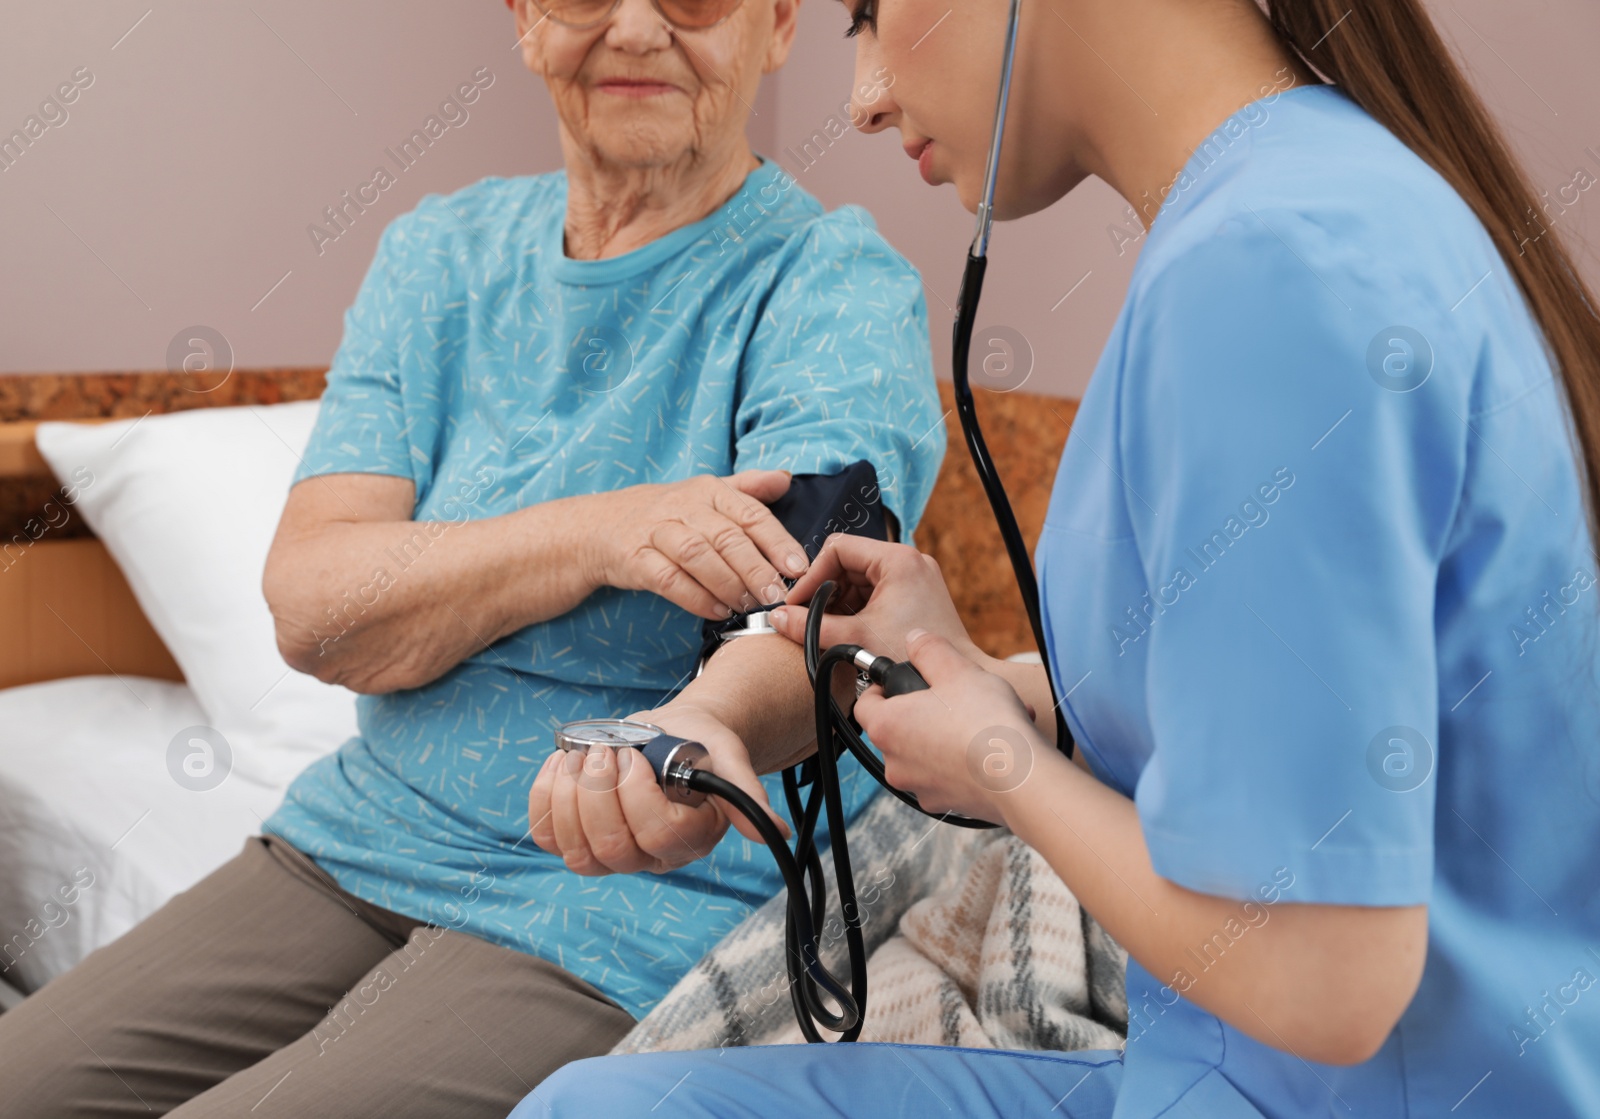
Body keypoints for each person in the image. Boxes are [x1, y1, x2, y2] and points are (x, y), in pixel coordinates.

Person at [517, 0, 1600, 1115]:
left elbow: (1327, 979)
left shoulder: (1271, 273)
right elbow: (1302, 724)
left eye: (871, 13)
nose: (865, 94)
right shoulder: (1313, 202)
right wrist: (982, 678)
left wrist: (1004, 768)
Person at [0, 1, 946, 1115]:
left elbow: (805, 621)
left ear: (778, 25)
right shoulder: (437, 258)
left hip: (639, 875)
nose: (635, 30)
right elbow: (315, 609)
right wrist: (604, 531)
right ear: (525, 20)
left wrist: (704, 727)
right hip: (366, 830)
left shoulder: (828, 285)